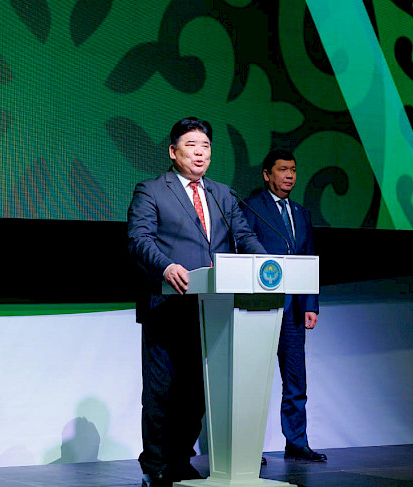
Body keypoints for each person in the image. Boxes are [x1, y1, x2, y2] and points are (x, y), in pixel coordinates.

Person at [127, 117, 266, 486]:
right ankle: (156, 464)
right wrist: (165, 266)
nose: (200, 153)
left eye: (205, 146)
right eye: (191, 145)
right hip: (167, 305)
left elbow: (244, 236)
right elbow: (139, 239)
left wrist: (266, 263)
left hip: (211, 307)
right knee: (162, 390)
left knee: (197, 391)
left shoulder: (222, 194)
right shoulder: (151, 190)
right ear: (173, 152)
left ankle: (180, 458)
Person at [241, 149, 326, 462]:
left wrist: (311, 303)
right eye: (282, 169)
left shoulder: (301, 213)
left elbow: (308, 257)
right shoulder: (252, 207)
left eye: (293, 170)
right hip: (260, 308)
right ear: (267, 175)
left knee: (295, 380)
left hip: (294, 310)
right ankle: (248, 447)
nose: (289, 175)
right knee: (255, 380)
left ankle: (296, 442)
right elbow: (242, 251)